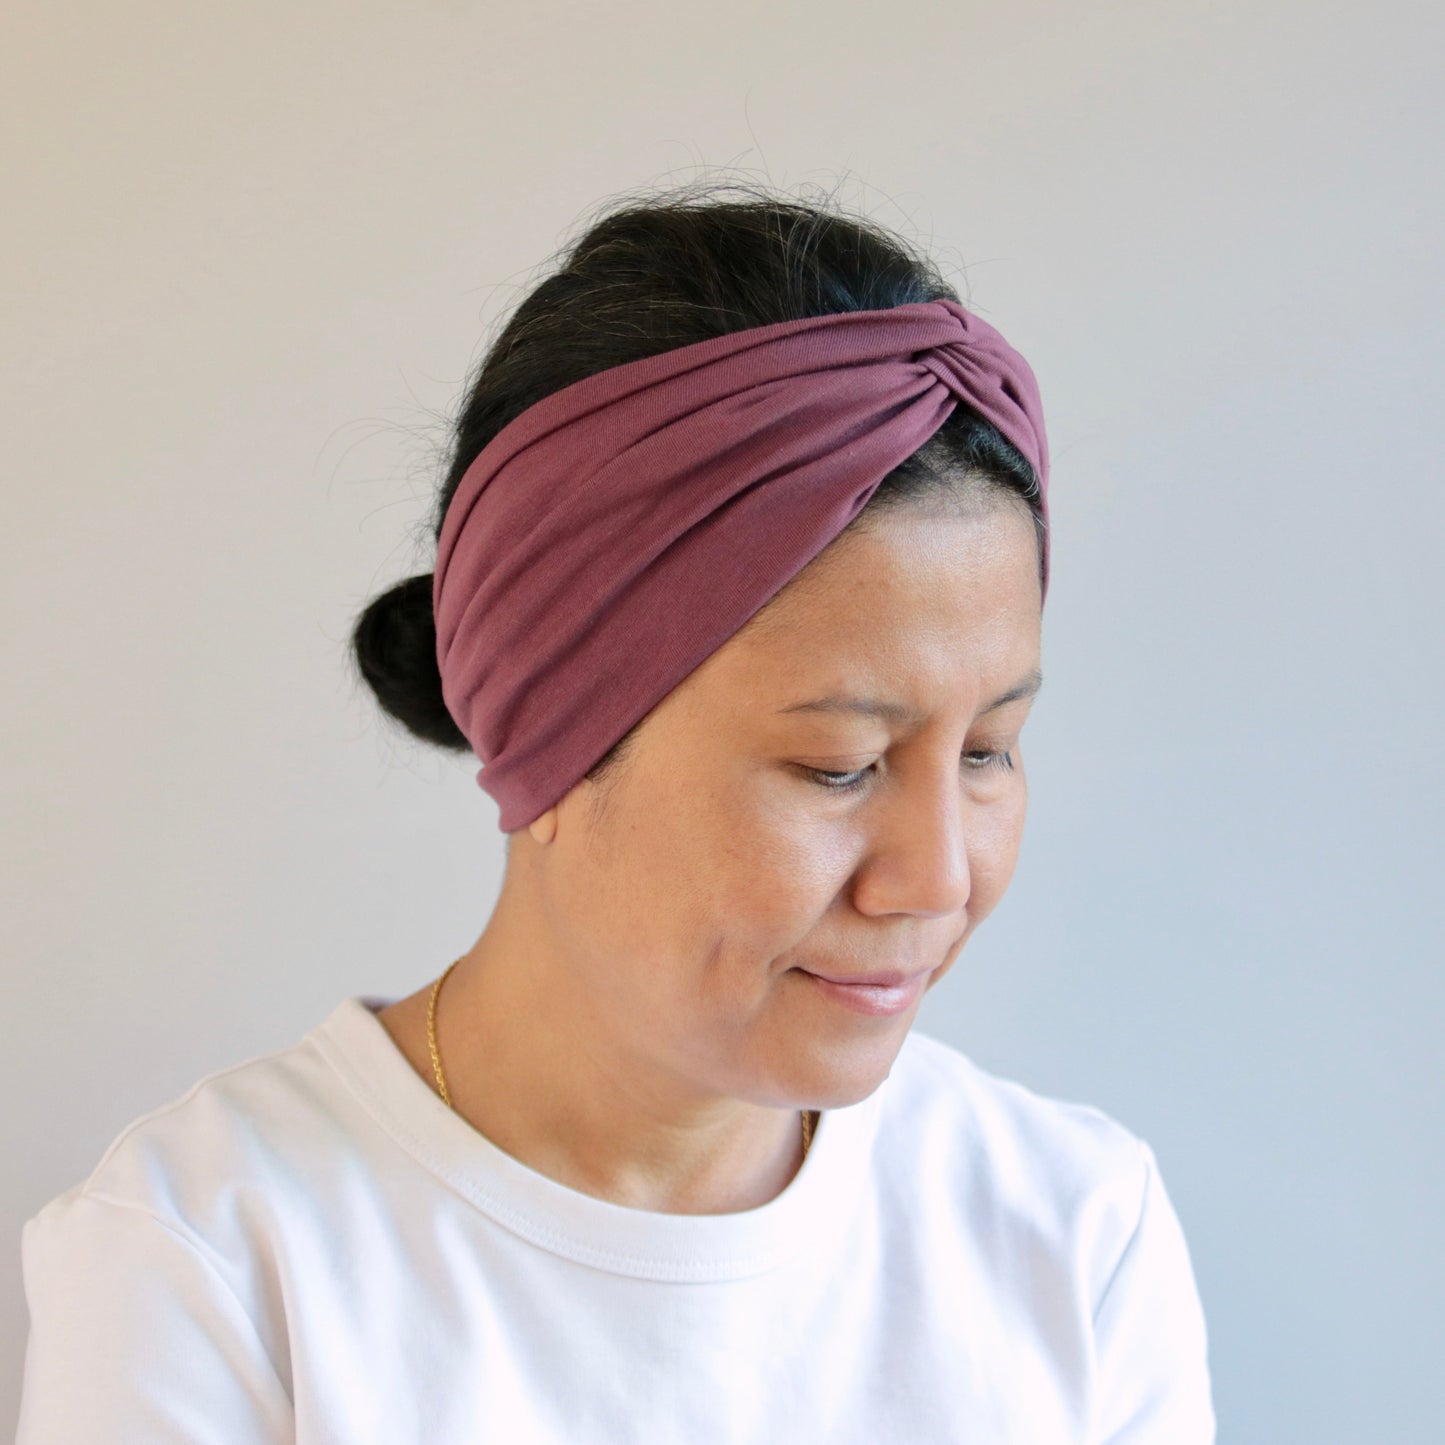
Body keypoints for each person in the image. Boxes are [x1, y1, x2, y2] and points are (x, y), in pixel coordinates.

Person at [15, 182, 1216, 1442]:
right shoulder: (207, 1263)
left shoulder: (1074, 1235)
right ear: (550, 728)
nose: (933, 877)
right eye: (840, 765)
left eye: (988, 749)